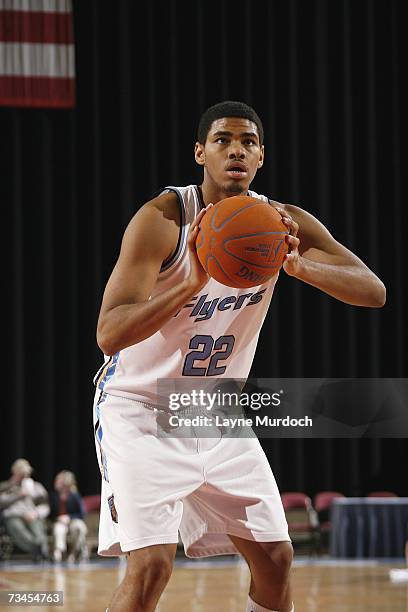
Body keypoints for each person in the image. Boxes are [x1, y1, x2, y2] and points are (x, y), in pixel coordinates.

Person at [93, 100, 386, 612]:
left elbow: (373, 290)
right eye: (224, 140)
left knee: (275, 559)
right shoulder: (162, 220)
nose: (237, 150)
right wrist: (189, 284)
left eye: (248, 142)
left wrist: (299, 266)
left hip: (214, 411)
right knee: (152, 569)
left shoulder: (279, 224)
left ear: (261, 157)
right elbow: (109, 333)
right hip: (138, 407)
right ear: (200, 152)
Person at [0, 458, 49, 561]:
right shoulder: (5, 487)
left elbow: (45, 506)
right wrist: (18, 495)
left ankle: (40, 548)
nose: (24, 477)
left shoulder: (36, 487)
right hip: (13, 516)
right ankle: (37, 548)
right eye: (21, 474)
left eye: (26, 474)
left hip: (31, 515)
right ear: (14, 472)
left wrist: (36, 513)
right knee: (17, 528)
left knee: (38, 528)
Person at [49, 470, 88, 563]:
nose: (56, 483)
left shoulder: (74, 495)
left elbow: (82, 513)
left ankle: (74, 553)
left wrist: (69, 517)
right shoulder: (53, 496)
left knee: (79, 527)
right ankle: (59, 553)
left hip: (72, 520)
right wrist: (59, 518)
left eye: (58, 481)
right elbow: (50, 514)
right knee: (59, 529)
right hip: (58, 522)